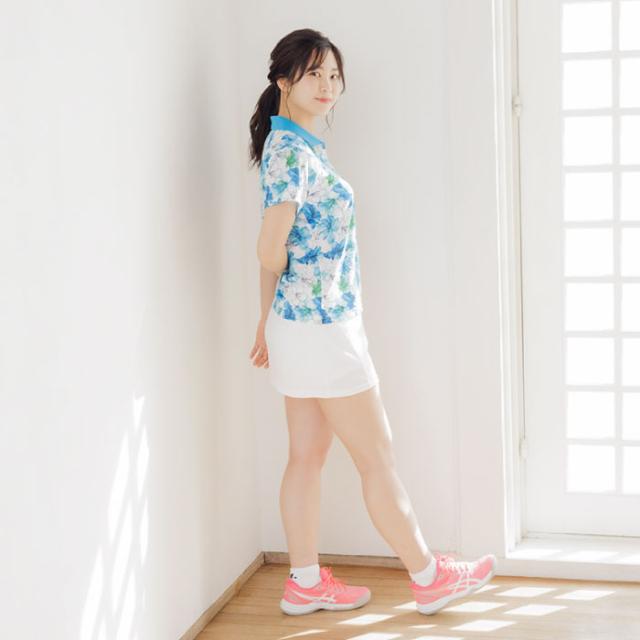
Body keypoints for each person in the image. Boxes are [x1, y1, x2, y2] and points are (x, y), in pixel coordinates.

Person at [248, 28, 496, 616]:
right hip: (324, 330)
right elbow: (268, 248)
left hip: (300, 328)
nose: (327, 85)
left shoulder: (296, 147)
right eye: (314, 73)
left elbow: (277, 251)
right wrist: (280, 312)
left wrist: (267, 321)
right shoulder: (291, 154)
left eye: (334, 75)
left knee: (306, 456)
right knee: (375, 457)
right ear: (283, 80)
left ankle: (305, 582)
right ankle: (429, 575)